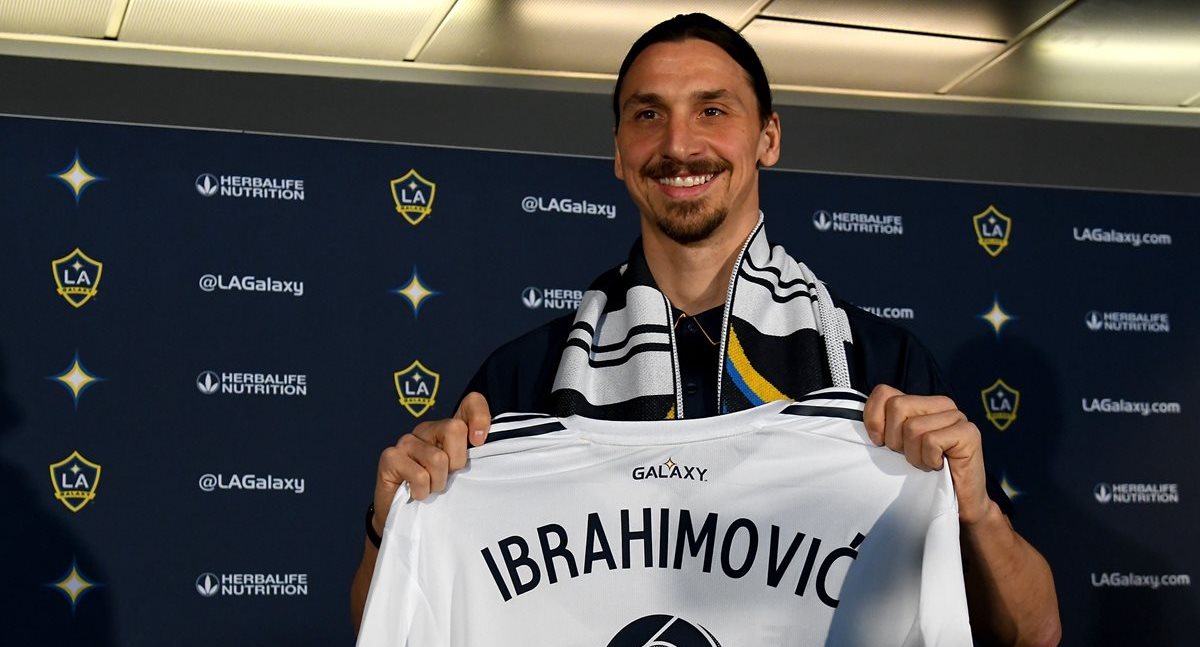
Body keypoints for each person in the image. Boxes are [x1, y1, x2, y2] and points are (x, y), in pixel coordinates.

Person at [352, 13, 1061, 646]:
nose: (679, 144)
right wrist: (395, 523)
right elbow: (391, 626)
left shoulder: (875, 368)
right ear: (619, 151)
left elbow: (1034, 633)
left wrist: (974, 510)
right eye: (648, 115)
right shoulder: (522, 379)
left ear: (768, 137)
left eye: (712, 110)